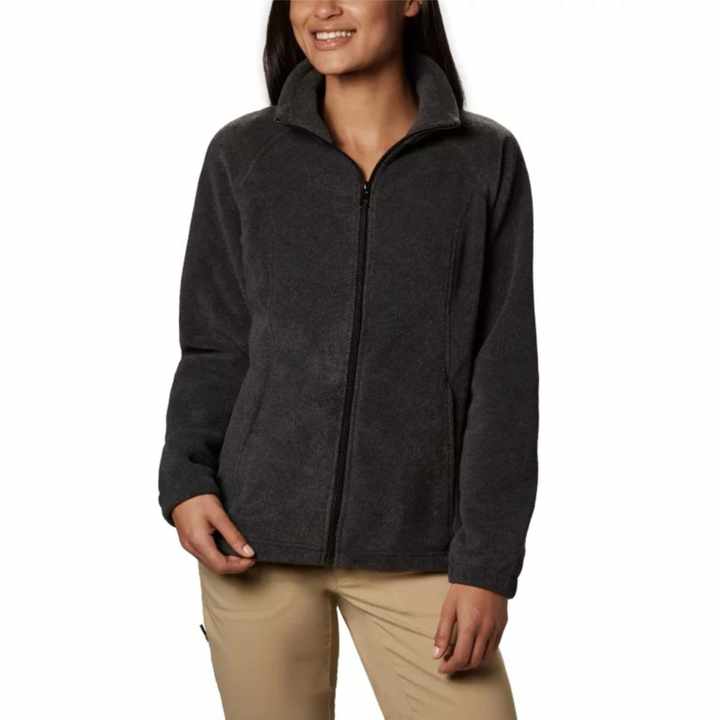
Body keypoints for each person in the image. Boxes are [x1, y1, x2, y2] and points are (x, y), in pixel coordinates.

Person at [158, 1, 538, 717]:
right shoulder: (244, 155)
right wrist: (186, 481)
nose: (323, 8)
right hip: (253, 543)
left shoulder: (481, 161)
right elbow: (215, 343)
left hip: (423, 550)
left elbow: (504, 375)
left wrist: (487, 564)